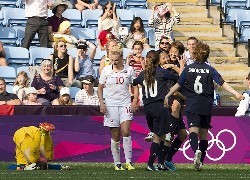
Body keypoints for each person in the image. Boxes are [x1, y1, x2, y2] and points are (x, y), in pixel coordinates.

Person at [164, 42, 244, 171]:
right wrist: (235, 93)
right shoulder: (210, 69)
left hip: (192, 104)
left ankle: (196, 151)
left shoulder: (188, 69)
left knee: (193, 132)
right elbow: (222, 83)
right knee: (204, 135)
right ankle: (200, 163)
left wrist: (168, 95)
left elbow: (178, 84)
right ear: (206, 55)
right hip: (206, 105)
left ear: (194, 55)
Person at [132, 50, 180, 171]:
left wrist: (136, 97)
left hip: (147, 108)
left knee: (162, 136)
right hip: (160, 107)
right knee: (161, 137)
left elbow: (134, 82)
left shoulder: (143, 74)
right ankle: (151, 163)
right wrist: (179, 66)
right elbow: (180, 77)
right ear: (158, 60)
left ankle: (161, 164)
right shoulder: (162, 72)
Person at [97, 45, 136, 170]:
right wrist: (102, 103)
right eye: (112, 60)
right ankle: (117, 163)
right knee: (115, 134)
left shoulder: (129, 70)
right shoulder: (106, 70)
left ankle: (129, 162)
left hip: (125, 103)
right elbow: (99, 87)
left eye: (116, 60)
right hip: (111, 104)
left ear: (122, 58)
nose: (114, 62)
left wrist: (135, 100)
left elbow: (135, 86)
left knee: (126, 131)